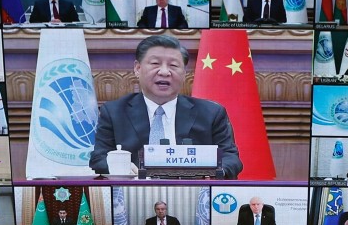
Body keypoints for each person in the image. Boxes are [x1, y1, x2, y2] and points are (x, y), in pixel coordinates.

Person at [89, 34, 242, 179]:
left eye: (174, 65)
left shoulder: (211, 113)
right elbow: (98, 158)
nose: (164, 72)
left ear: (184, 73)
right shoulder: (114, 112)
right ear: (137, 68)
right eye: (155, 63)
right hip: (133, 192)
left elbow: (231, 159)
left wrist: (214, 172)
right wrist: (120, 167)